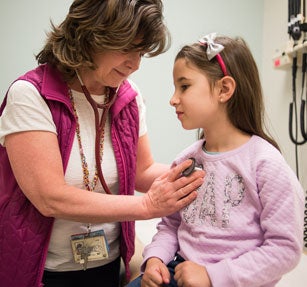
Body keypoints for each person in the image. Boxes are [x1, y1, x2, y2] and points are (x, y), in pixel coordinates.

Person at [0, 1, 206, 287]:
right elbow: (50, 198)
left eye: (141, 52)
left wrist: (208, 174)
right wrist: (146, 206)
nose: (135, 64)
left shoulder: (129, 98)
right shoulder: (30, 96)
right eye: (127, 48)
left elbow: (142, 172)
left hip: (108, 265)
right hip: (43, 272)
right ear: (90, 36)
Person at [126, 33, 305, 287]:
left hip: (236, 279)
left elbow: (284, 249)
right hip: (179, 270)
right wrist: (155, 259)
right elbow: (171, 225)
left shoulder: (266, 164)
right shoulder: (186, 161)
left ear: (224, 89)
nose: (173, 99)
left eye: (184, 86)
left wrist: (212, 276)